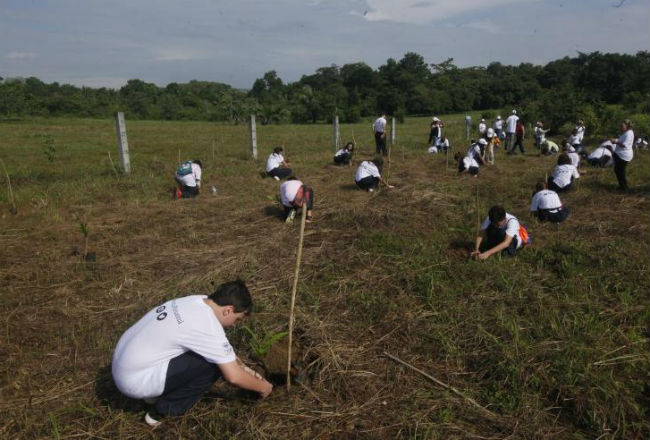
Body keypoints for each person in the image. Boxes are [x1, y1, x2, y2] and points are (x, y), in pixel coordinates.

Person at [111, 280, 273, 427]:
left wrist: (242, 366)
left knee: (213, 357)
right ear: (228, 310)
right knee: (213, 366)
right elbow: (233, 377)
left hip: (123, 364)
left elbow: (222, 349)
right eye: (237, 319)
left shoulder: (198, 301)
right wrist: (264, 388)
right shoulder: (207, 326)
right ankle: (161, 411)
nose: (233, 325)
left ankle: (152, 394)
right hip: (133, 382)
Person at [610, 119, 634, 191]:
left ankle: (623, 187)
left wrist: (615, 141)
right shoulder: (626, 133)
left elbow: (624, 145)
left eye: (622, 126)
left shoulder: (629, 133)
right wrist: (616, 140)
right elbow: (622, 141)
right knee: (619, 170)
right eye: (620, 126)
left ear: (627, 126)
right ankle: (623, 186)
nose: (621, 127)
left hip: (623, 155)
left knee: (619, 171)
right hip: (621, 154)